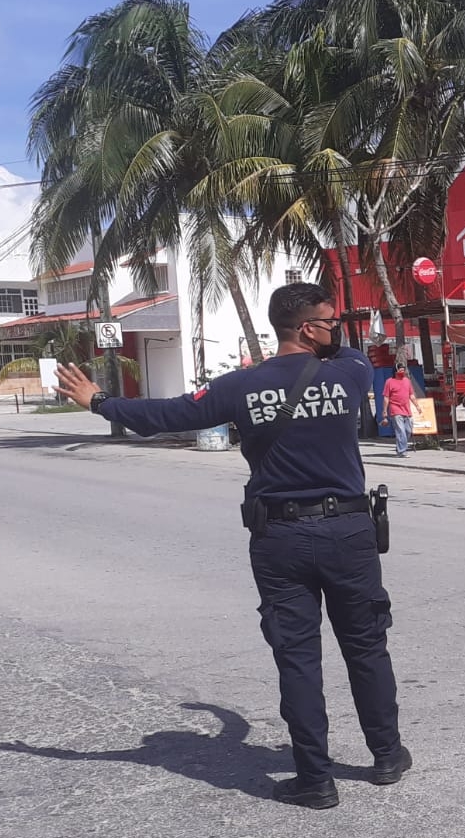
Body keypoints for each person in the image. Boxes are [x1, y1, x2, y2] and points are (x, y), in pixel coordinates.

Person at [53, 282, 411, 810]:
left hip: (280, 537)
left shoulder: (240, 387)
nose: (337, 329)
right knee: (366, 646)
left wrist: (100, 402)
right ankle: (385, 756)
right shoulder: (351, 372)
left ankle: (315, 778)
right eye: (330, 321)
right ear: (309, 328)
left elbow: (167, 415)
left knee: (298, 659)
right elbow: (350, 353)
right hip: (348, 534)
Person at [381, 364, 415, 457]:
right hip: (395, 410)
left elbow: (411, 395)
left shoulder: (407, 381)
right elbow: (386, 398)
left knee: (408, 430)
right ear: (395, 371)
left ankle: (400, 446)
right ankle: (402, 451)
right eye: (400, 370)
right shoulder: (389, 382)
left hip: (407, 410)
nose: (402, 372)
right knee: (401, 431)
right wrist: (384, 411)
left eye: (403, 370)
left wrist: (417, 406)